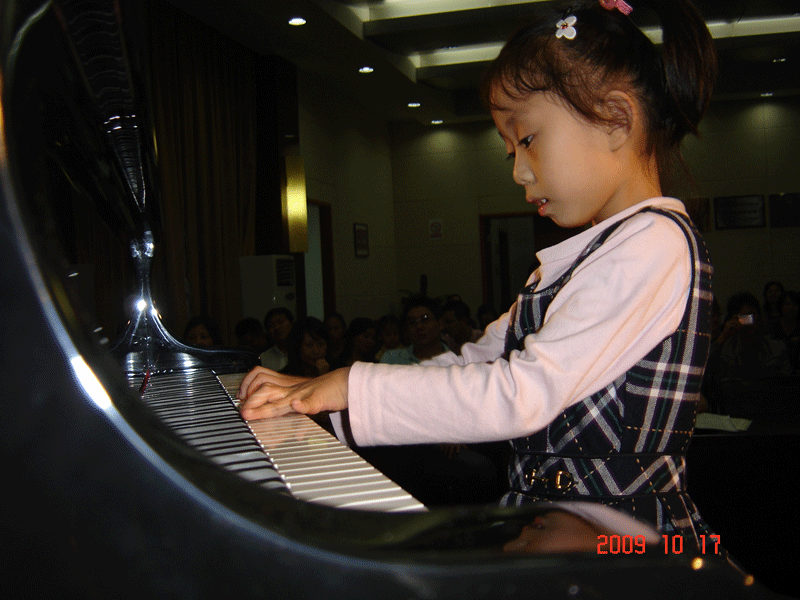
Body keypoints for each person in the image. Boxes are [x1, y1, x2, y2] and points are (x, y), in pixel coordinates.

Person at [239, 0, 717, 546]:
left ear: (615, 119)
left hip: (627, 541)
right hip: (557, 526)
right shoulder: (588, 256)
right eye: (510, 152)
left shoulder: (654, 242)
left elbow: (521, 391)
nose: (518, 172)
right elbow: (475, 362)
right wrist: (325, 401)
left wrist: (349, 385)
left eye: (527, 140)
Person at [379, 297, 454, 365]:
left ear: (440, 324)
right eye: (412, 322)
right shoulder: (391, 359)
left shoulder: (454, 362)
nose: (419, 326)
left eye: (425, 319)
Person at [260, 307, 294, 372]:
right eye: (271, 325)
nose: (276, 327)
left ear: (292, 323)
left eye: (280, 322)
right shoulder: (264, 357)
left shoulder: (303, 352)